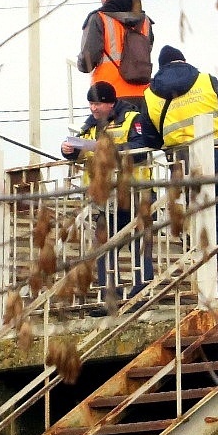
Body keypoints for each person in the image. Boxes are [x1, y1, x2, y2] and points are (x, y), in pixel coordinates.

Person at [132, 46, 218, 298]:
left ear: (160, 66)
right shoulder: (206, 80)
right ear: (184, 61)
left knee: (203, 226)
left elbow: (151, 139)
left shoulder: (150, 96)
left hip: (187, 167)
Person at [62, 82, 152, 302]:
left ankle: (142, 290)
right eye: (91, 104)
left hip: (133, 192)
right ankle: (110, 293)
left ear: (111, 103)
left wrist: (108, 151)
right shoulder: (90, 125)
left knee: (138, 241)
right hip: (103, 197)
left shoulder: (132, 118)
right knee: (104, 244)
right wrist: (69, 151)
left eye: (98, 104)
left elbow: (140, 149)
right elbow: (82, 152)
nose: (94, 109)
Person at [76, 0, 155, 102]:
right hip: (142, 94)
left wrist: (81, 64)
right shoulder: (144, 20)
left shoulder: (98, 18)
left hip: (108, 96)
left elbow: (88, 59)